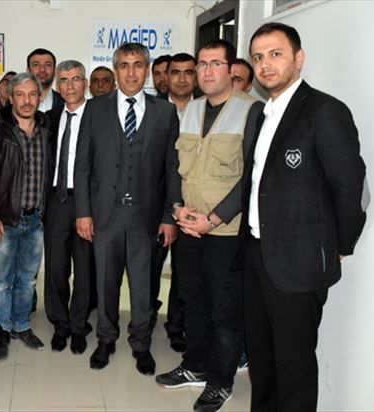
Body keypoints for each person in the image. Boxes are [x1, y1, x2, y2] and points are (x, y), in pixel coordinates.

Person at [240, 22, 367, 411]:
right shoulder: (261, 115)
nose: (266, 65)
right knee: (262, 362)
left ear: (299, 58)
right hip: (257, 256)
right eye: (258, 57)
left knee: (294, 369)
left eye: (275, 54)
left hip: (300, 264)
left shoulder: (325, 111)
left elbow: (351, 188)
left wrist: (339, 246)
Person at [155, 39, 263, 412]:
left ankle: (220, 382)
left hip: (225, 233)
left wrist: (213, 219)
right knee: (193, 302)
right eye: (202, 64)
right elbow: (174, 167)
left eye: (215, 63)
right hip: (189, 228)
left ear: (231, 69)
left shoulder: (251, 111)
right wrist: (177, 208)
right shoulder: (190, 109)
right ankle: (195, 365)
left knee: (224, 311)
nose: (206, 71)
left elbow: (251, 177)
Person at [74, 42, 181, 376]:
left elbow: (172, 169)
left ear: (147, 71)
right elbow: (82, 165)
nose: (131, 72)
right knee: (105, 283)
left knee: (143, 287)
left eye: (138, 65)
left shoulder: (165, 112)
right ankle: (105, 339)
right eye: (124, 65)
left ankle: (141, 344)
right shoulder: (95, 109)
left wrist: (169, 216)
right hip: (105, 215)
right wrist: (83, 212)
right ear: (115, 70)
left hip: (145, 218)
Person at [0, 72, 51, 361]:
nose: (26, 100)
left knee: (28, 280)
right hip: (4, 221)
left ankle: (21, 325)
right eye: (20, 94)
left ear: (40, 97)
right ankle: (1, 328)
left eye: (32, 94)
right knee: (0, 282)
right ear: (10, 97)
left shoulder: (46, 128)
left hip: (35, 221)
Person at [44, 60, 96, 354]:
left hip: (87, 202)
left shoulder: (100, 117)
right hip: (55, 199)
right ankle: (60, 324)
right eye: (64, 80)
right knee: (56, 268)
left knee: (85, 269)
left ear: (85, 83)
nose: (70, 85)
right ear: (57, 86)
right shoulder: (49, 118)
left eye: (76, 79)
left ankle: (78, 326)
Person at [150, 51, 198, 354]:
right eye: (175, 72)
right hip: (156, 205)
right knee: (150, 268)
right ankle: (145, 318)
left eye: (188, 72)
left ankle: (177, 325)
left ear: (196, 77)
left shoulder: (206, 110)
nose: (181, 78)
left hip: (193, 205)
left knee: (185, 270)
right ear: (165, 77)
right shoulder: (152, 109)